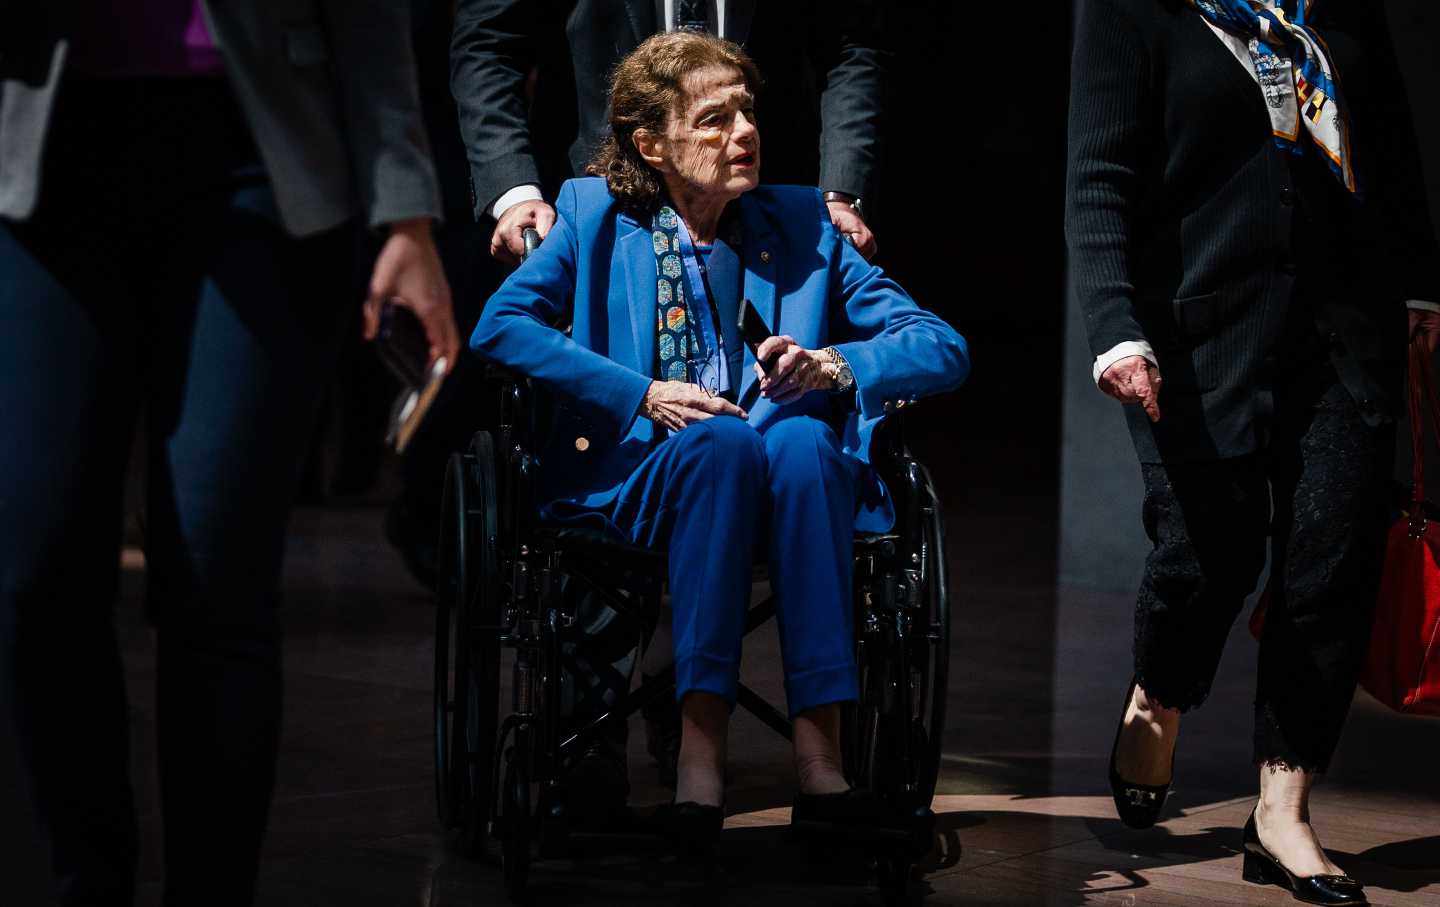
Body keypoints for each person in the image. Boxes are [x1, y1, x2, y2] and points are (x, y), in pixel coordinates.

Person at [0, 3, 456, 904]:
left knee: (217, 573)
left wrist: (407, 210)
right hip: (39, 160)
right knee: (36, 569)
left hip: (261, 162)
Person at [472, 31, 968, 845]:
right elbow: (501, 325)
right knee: (722, 444)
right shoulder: (594, 216)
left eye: (747, 112)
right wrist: (642, 393)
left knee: (807, 443)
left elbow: (942, 346)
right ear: (652, 144)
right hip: (643, 476)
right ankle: (699, 754)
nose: (744, 133)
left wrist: (834, 362)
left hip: (786, 482)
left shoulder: (804, 222)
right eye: (712, 120)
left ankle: (823, 760)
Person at [1066, 1, 1439, 903]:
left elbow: (1387, 150)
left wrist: (1421, 287)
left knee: (1333, 555)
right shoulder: (1135, 10)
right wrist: (1116, 327)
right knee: (1209, 548)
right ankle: (1161, 689)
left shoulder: (1342, 10)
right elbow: (1099, 175)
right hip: (1196, 334)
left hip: (1344, 330)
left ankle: (1282, 808)